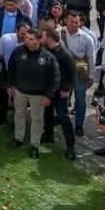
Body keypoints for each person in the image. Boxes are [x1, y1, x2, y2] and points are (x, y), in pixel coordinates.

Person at [7, 28, 59, 157]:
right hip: (20, 91)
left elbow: (55, 77)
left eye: (31, 39)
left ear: (40, 40)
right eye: (26, 38)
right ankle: (18, 138)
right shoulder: (18, 51)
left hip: (38, 94)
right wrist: (10, 85)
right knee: (19, 114)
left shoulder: (48, 57)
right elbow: (11, 68)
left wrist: (49, 95)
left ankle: (34, 144)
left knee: (37, 119)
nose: (27, 41)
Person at [40, 28, 78, 160]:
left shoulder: (64, 54)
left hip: (61, 91)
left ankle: (70, 146)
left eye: (44, 36)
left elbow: (72, 73)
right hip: (49, 89)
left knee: (63, 117)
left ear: (50, 37)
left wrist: (66, 89)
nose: (42, 38)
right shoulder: (46, 50)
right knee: (48, 112)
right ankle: (48, 134)